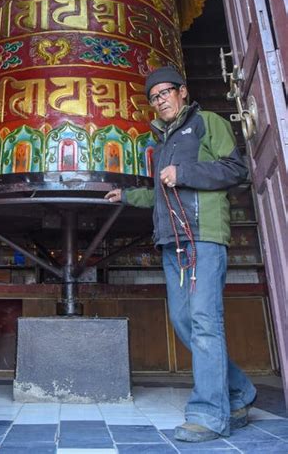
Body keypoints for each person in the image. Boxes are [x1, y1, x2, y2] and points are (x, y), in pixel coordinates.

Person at [105, 66, 257, 443]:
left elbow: (236, 169)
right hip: (172, 241)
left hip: (203, 236)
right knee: (184, 321)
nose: (160, 101)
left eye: (165, 93)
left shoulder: (207, 122)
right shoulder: (162, 142)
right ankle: (239, 393)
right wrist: (125, 196)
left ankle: (209, 414)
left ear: (182, 92)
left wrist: (183, 171)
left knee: (204, 321)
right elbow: (160, 192)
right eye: (154, 97)